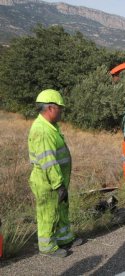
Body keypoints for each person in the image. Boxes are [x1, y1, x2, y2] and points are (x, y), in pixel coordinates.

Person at [28, 89, 82, 258]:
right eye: (60, 108)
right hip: (47, 182)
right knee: (48, 213)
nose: (62, 111)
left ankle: (64, 238)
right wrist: (58, 185)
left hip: (57, 180)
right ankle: (47, 246)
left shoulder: (51, 127)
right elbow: (48, 162)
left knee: (61, 209)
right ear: (51, 108)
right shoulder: (42, 131)